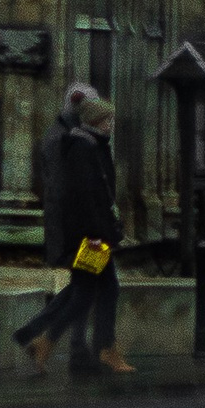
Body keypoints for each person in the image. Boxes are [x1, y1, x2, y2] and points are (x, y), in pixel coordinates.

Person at [16, 86, 131, 380]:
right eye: (106, 120)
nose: (110, 125)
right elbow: (86, 198)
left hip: (92, 234)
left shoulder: (91, 145)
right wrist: (100, 236)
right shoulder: (83, 148)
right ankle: (101, 348)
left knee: (88, 291)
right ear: (93, 122)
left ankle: (45, 342)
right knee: (95, 291)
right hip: (91, 236)